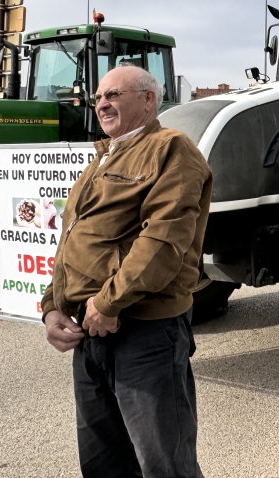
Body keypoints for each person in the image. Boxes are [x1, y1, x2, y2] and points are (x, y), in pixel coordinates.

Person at [41, 65, 212, 478]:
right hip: (90, 332)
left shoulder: (171, 148)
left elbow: (163, 242)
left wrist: (109, 301)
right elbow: (72, 241)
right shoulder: (103, 157)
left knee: (164, 464)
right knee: (104, 463)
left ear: (148, 100)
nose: (102, 104)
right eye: (99, 97)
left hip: (144, 333)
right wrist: (52, 306)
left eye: (114, 94)